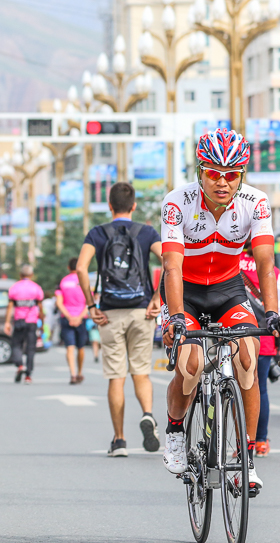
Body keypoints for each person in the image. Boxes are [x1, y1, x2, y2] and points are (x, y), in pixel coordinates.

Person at [159, 128, 280, 495]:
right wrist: (175, 319)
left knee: (248, 358)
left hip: (228, 290)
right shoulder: (178, 201)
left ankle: (245, 458)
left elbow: (265, 264)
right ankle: (174, 430)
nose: (222, 181)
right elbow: (171, 267)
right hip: (184, 289)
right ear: (200, 170)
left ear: (242, 175)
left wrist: (274, 313)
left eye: (231, 174)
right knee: (191, 365)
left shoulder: (256, 202)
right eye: (214, 172)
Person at [77, 182, 162, 457]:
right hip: (142, 311)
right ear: (134, 206)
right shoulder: (147, 232)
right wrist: (156, 298)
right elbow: (169, 262)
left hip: (109, 314)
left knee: (116, 377)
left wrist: (91, 305)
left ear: (110, 206)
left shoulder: (97, 234)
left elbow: (80, 268)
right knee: (141, 372)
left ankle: (120, 440)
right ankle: (148, 414)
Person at [241, 249, 280, 458]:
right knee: (260, 389)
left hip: (236, 332)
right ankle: (260, 441)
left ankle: (241, 442)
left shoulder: (232, 262)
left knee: (237, 388)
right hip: (265, 334)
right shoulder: (272, 270)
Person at [4, 264, 44, 384]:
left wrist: (7, 322)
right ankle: (28, 376)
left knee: (16, 345)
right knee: (31, 348)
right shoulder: (36, 288)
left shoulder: (14, 288)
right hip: (32, 322)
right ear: (31, 275)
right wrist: (42, 322)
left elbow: (10, 307)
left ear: (20, 275)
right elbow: (40, 307)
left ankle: (20, 365)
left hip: (19, 321)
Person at [56, 257, 89, 384]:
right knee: (81, 347)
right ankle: (80, 372)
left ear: (69, 268)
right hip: (81, 319)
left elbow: (59, 303)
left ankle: (73, 374)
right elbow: (89, 303)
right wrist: (79, 317)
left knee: (70, 347)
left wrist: (69, 317)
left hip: (67, 318)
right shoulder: (84, 281)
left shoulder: (63, 282)